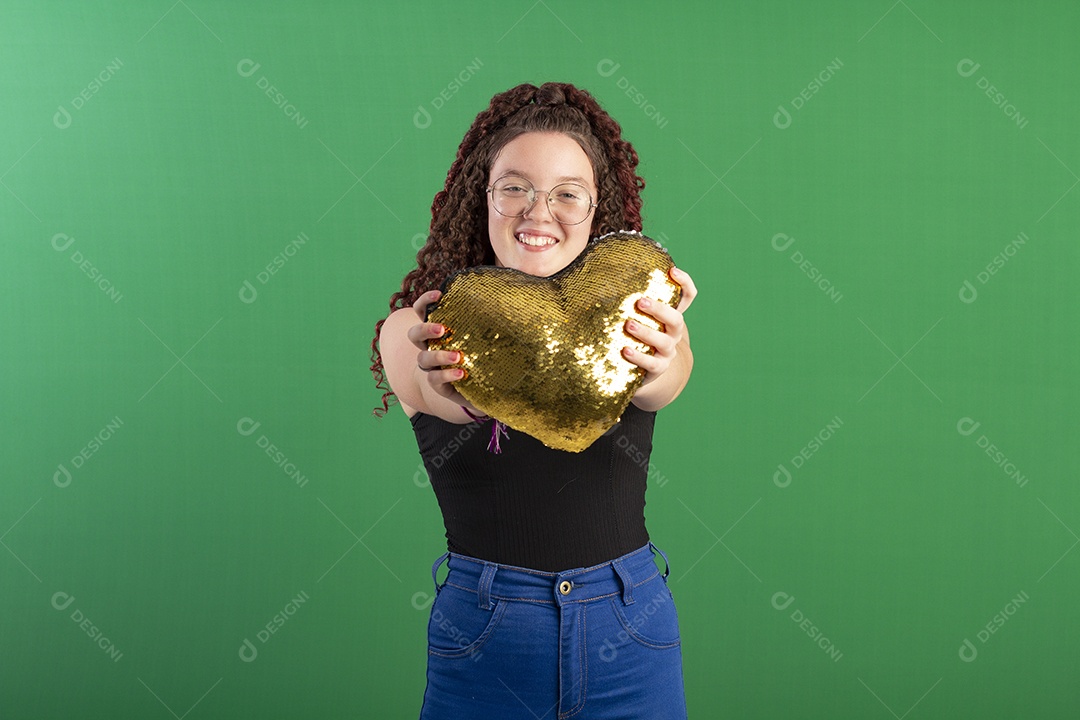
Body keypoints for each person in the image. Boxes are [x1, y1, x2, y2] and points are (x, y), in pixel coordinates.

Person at [370, 81, 697, 719]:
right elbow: (439, 396)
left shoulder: (641, 321)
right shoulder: (419, 329)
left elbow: (667, 379)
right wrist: (459, 385)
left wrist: (660, 358)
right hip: (488, 633)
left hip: (630, 624)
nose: (538, 212)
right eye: (514, 188)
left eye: (568, 193)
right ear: (482, 199)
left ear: (597, 210)